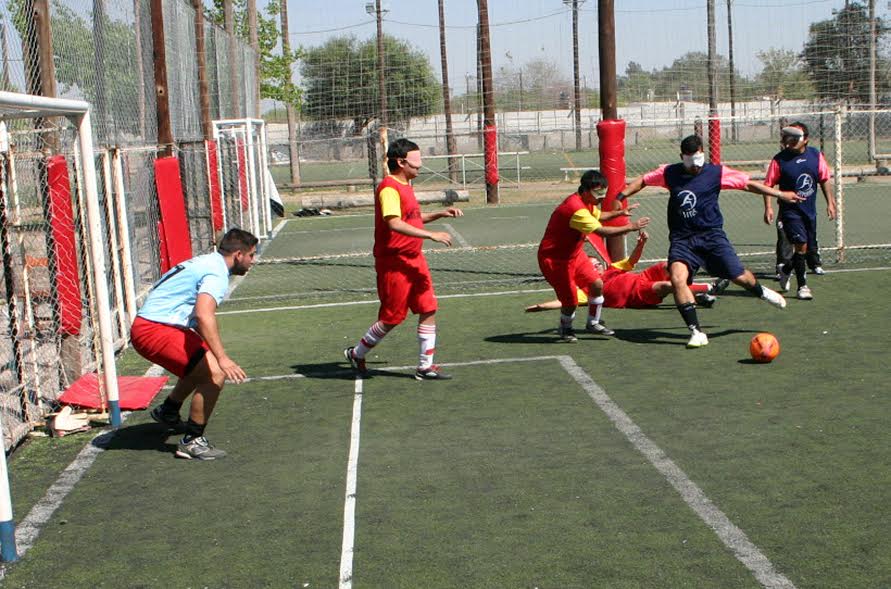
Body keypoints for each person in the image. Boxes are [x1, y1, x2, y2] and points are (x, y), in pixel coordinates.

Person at [616, 134, 805, 349]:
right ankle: (696, 332)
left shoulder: (716, 172)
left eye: (698, 161)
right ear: (682, 157)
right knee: (678, 279)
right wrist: (620, 197)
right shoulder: (670, 172)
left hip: (711, 236)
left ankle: (761, 292)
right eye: (690, 162)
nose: (695, 167)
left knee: (740, 278)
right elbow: (643, 181)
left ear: (703, 155)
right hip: (682, 240)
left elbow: (748, 185)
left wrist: (780, 194)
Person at [131, 228, 258, 460]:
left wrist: (211, 351)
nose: (253, 260)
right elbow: (203, 314)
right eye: (252, 255)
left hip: (155, 326)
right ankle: (192, 440)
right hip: (154, 329)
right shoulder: (217, 273)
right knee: (214, 374)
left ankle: (169, 410)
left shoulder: (209, 261)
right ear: (238, 254)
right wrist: (222, 358)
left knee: (201, 360)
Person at [344, 138, 463, 380]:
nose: (420, 167)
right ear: (401, 162)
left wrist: (439, 214)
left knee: (428, 308)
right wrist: (431, 235)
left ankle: (425, 366)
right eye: (416, 163)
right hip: (394, 263)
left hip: (414, 260)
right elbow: (394, 222)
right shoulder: (389, 188)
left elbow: (411, 219)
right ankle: (357, 353)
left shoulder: (407, 185)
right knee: (392, 318)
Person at [537, 169, 650, 342]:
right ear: (584, 190)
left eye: (604, 194)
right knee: (570, 301)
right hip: (555, 259)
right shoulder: (575, 209)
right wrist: (630, 227)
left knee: (597, 284)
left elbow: (599, 216)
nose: (602, 198)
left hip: (574, 255)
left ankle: (593, 323)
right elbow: (601, 230)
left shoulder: (588, 203)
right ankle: (565, 328)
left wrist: (618, 213)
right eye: (598, 194)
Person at [526, 231, 727, 312]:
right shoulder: (589, 289)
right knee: (667, 285)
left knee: (668, 265)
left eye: (597, 264)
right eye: (591, 265)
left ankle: (695, 293)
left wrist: (641, 244)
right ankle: (711, 287)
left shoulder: (612, 270)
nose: (595, 266)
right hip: (636, 295)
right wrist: (541, 306)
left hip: (642, 277)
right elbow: (565, 301)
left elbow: (631, 261)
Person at [762, 122, 836, 300]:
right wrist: (769, 207)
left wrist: (830, 202)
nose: (792, 140)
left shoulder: (815, 156)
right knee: (801, 244)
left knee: (804, 248)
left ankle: (786, 268)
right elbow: (768, 185)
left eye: (796, 137)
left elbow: (824, 179)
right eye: (789, 137)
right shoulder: (779, 159)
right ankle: (802, 287)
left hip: (809, 211)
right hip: (790, 212)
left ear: (806, 140)